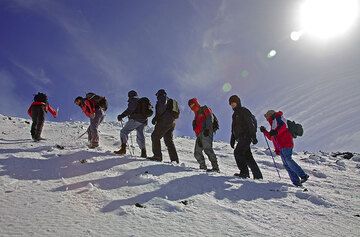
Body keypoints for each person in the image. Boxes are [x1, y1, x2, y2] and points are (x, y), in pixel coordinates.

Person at [260, 110, 309, 186]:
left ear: (270, 115)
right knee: (286, 165)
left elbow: (283, 126)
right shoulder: (273, 123)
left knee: (288, 160)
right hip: (281, 147)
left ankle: (303, 176)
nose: (266, 118)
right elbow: (271, 137)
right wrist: (265, 131)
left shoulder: (278, 118)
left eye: (266, 116)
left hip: (286, 143)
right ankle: (297, 183)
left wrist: (276, 132)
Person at [229, 95, 263, 179]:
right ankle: (258, 176)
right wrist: (232, 139)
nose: (232, 105)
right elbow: (234, 128)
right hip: (240, 138)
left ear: (238, 102)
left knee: (238, 152)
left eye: (233, 103)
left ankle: (244, 173)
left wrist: (253, 136)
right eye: (231, 104)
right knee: (248, 156)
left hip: (246, 136)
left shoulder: (243, 111)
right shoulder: (235, 114)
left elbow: (250, 123)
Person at [188, 98, 219, 172]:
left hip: (206, 131)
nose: (192, 106)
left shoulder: (204, 108)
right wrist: (198, 137)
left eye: (193, 104)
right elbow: (196, 129)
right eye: (190, 106)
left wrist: (208, 129)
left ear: (196, 103)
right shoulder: (195, 116)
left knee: (207, 149)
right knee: (197, 152)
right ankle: (203, 167)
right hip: (199, 135)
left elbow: (209, 117)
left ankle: (215, 168)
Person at [149, 89, 179, 163]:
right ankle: (174, 160)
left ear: (159, 94)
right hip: (172, 122)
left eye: (157, 95)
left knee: (155, 136)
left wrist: (155, 118)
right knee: (168, 141)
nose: (157, 97)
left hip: (164, 121)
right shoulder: (170, 101)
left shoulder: (162, 98)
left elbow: (161, 111)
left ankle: (157, 156)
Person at [114, 90, 148, 157]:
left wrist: (121, 116)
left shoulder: (133, 100)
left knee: (123, 132)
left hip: (136, 119)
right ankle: (143, 152)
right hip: (143, 121)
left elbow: (129, 110)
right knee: (140, 135)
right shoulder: (140, 100)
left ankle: (123, 149)